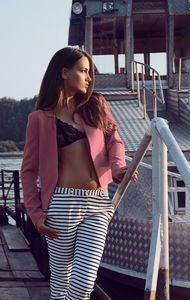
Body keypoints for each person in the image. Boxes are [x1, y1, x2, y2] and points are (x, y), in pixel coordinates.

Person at [21, 47, 138, 300]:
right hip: (61, 204)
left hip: (98, 202)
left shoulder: (96, 104)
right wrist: (35, 213)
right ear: (64, 72)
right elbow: (28, 172)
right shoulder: (39, 118)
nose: (89, 77)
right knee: (61, 281)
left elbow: (114, 139)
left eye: (90, 72)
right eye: (83, 71)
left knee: (84, 283)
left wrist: (118, 167)